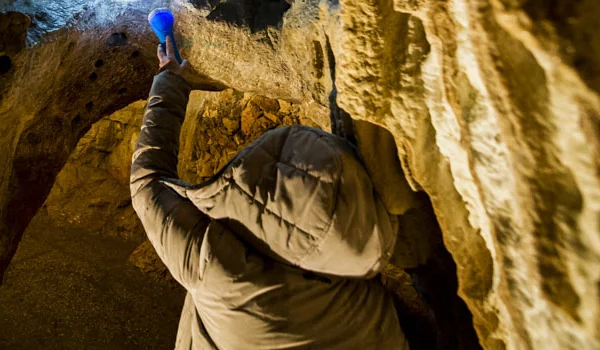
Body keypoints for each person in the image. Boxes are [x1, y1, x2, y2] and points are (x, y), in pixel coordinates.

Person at [131, 36, 409, 349]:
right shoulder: (364, 270)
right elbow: (146, 188)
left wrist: (170, 79)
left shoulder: (217, 270)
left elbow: (146, 185)